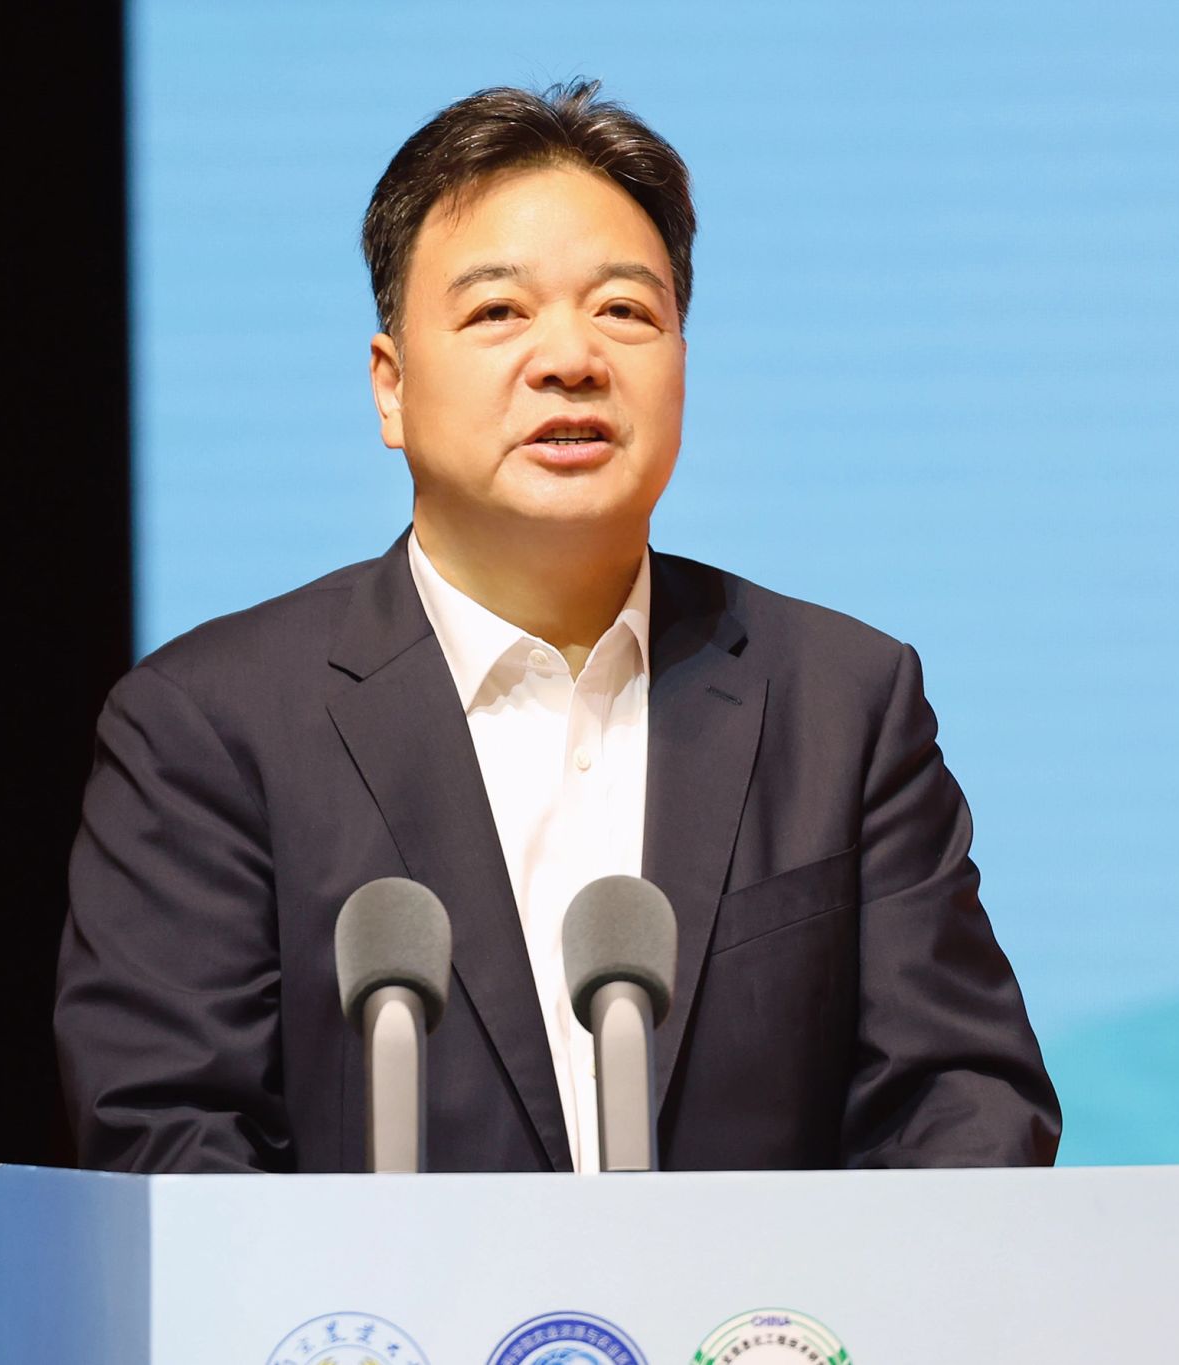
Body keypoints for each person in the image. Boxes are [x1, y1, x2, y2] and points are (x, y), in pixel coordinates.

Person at [55, 79, 1061, 1174]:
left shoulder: (841, 703)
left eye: (625, 311)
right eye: (498, 312)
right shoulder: (212, 727)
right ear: (390, 388)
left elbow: (964, 1102)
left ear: (682, 364)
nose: (571, 358)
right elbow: (170, 1139)